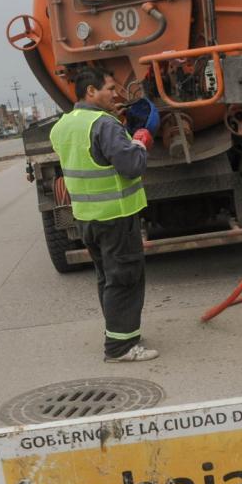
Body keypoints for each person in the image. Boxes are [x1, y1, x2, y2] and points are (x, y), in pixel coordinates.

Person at [49, 66, 159, 363]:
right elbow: (131, 166)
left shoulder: (62, 126)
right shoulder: (104, 124)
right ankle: (120, 348)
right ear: (91, 91)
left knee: (108, 278)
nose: (115, 94)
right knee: (124, 278)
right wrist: (140, 141)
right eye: (110, 88)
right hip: (115, 216)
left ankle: (119, 333)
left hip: (87, 217)